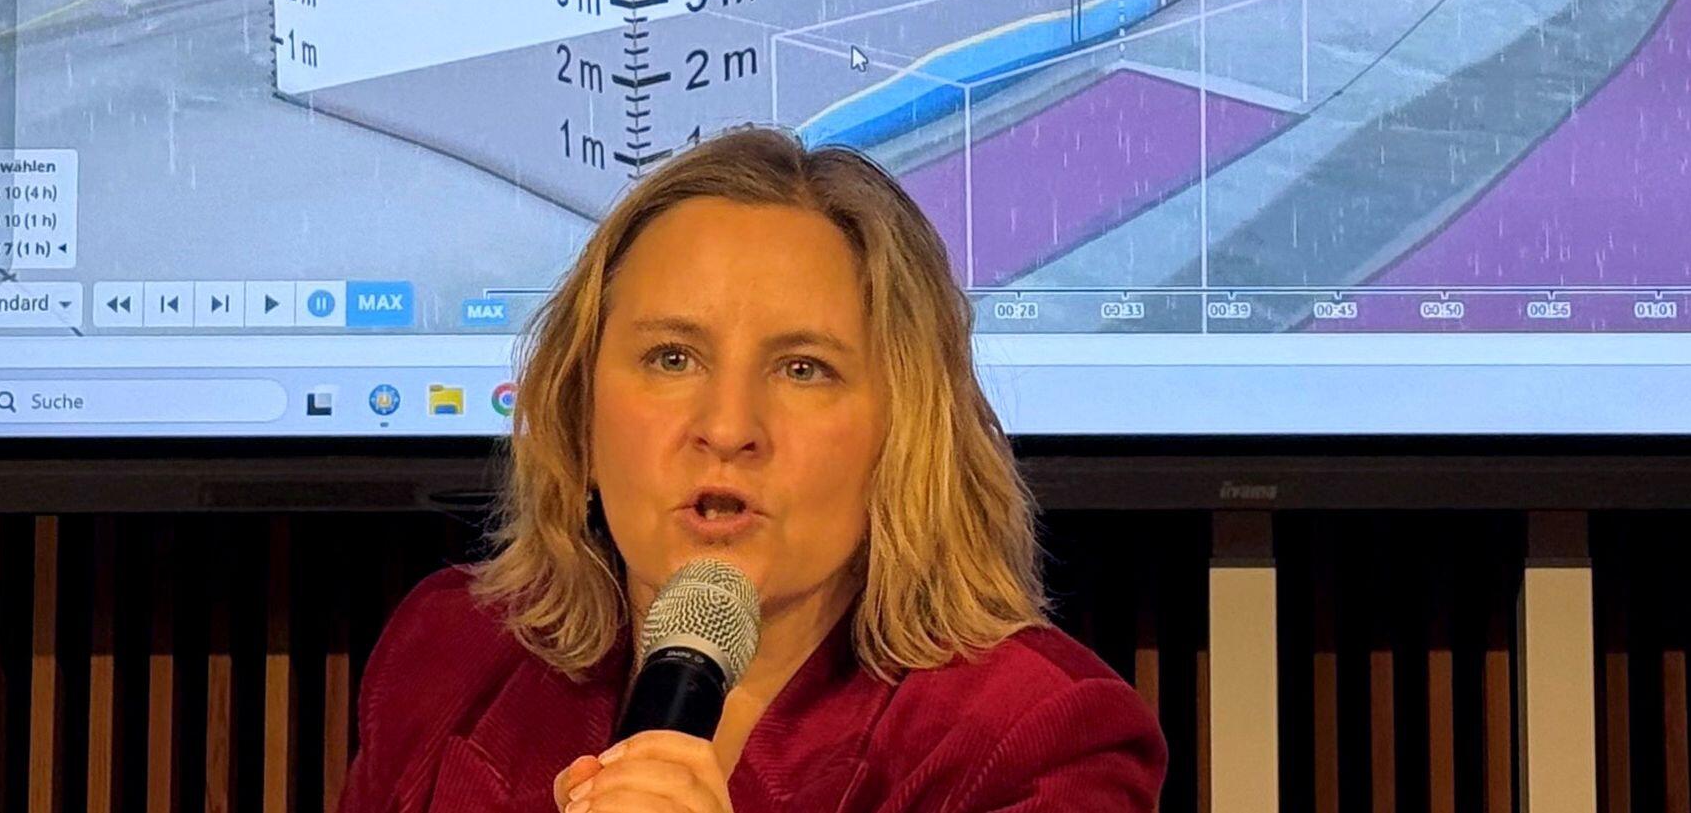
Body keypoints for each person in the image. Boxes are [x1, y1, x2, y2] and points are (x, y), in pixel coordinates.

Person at [338, 126, 1166, 812]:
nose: (729, 428)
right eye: (671, 357)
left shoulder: (1036, 740)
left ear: (904, 435)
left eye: (803, 368)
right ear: (579, 412)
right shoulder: (454, 651)